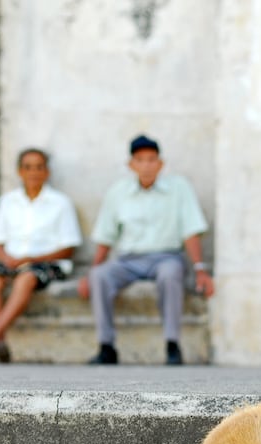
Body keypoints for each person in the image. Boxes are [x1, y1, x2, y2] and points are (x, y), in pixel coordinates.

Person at [79, 135, 214, 365]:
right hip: (127, 260)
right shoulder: (118, 192)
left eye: (152, 160)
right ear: (131, 165)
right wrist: (91, 272)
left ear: (160, 164)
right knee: (99, 276)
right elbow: (106, 236)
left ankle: (172, 344)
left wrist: (200, 269)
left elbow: (191, 231)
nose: (146, 166)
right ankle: (106, 346)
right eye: (140, 160)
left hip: (166, 257)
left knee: (170, 274)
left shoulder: (179, 188)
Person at [0, 148, 82, 363]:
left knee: (26, 278)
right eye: (28, 167)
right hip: (13, 261)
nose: (33, 172)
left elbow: (68, 248)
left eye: (38, 167)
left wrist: (31, 260)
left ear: (47, 172)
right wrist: (6, 259)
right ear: (20, 171)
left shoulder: (60, 203)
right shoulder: (8, 201)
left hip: (47, 263)